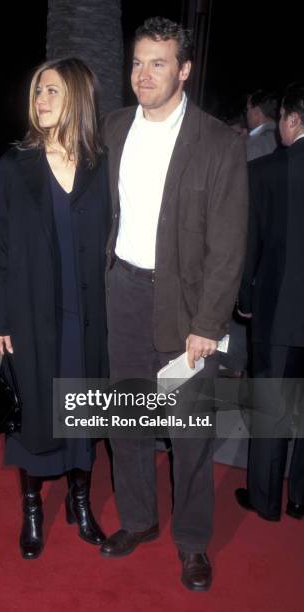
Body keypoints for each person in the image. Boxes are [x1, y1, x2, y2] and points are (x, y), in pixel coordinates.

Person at [101, 17, 248, 591]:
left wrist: (209, 322)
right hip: (123, 295)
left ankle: (192, 541)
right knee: (126, 420)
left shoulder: (217, 142)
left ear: (183, 70)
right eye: (138, 61)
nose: (144, 74)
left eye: (158, 63)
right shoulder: (111, 128)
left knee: (189, 430)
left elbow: (229, 243)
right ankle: (138, 519)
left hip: (187, 306)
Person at [0, 58, 110, 559]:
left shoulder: (102, 165)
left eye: (53, 91)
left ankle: (81, 503)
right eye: (38, 90)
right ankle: (33, 509)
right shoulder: (12, 166)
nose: (40, 99)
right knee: (35, 414)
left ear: (77, 97)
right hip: (32, 315)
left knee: (83, 416)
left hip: (87, 319)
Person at [236, 82, 304, 522]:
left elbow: (250, 246)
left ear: (292, 118)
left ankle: (265, 501)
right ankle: (300, 499)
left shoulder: (266, 172)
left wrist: (244, 301)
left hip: (279, 314)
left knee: (272, 408)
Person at [246, 89, 279, 161]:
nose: (247, 114)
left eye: (248, 109)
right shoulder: (282, 137)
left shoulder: (255, 143)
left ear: (256, 112)